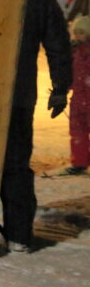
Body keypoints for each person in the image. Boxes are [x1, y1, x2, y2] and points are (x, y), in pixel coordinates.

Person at [0, 0, 71, 253]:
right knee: (15, 166)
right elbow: (58, 42)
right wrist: (61, 86)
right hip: (19, 95)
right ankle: (18, 235)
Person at [64, 16, 90, 175]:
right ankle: (79, 162)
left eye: (82, 33)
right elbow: (70, 73)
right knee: (77, 132)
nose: (78, 36)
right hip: (78, 100)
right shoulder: (73, 52)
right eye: (76, 33)